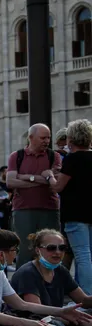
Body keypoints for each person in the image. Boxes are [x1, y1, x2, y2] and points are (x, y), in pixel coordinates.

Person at [6, 124, 63, 267]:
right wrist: (39, 179)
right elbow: (11, 181)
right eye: (43, 137)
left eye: (48, 137)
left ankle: (50, 284)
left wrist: (23, 177)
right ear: (31, 138)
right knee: (26, 249)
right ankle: (24, 285)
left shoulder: (54, 156)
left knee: (51, 249)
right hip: (23, 209)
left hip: (49, 209)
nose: (47, 141)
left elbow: (55, 182)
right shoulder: (16, 156)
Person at [52, 119, 92, 293]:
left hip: (75, 213)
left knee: (82, 256)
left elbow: (58, 186)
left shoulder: (72, 159)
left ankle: (87, 297)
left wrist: (49, 176)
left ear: (71, 139)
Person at [12, 230, 92, 310]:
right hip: (33, 319)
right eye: (51, 248)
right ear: (37, 250)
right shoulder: (28, 273)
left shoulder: (60, 270)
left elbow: (83, 301)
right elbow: (37, 310)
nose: (58, 252)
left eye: (62, 248)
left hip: (53, 317)